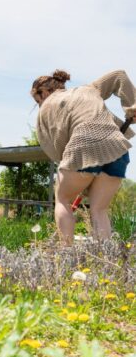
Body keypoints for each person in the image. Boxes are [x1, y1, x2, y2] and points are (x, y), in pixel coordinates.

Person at [31, 69, 135, 244]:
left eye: (37, 100)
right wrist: (132, 106)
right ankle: (105, 259)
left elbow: (56, 149)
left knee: (62, 199)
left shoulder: (46, 108)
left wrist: (79, 174)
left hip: (82, 147)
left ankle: (66, 255)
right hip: (117, 148)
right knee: (99, 209)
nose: (39, 104)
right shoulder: (89, 88)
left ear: (43, 92)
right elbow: (119, 76)